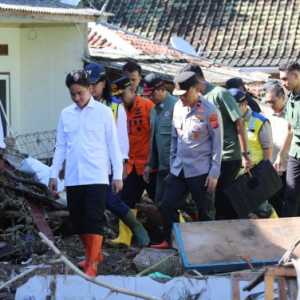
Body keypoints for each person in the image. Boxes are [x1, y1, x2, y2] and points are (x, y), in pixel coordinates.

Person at [49, 70, 123, 277]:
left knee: (93, 219)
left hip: (96, 174)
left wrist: (117, 174)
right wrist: (54, 174)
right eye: (72, 94)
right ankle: (93, 254)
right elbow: (61, 146)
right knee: (78, 219)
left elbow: (113, 145)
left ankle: (92, 262)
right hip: (74, 176)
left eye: (80, 93)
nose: (77, 98)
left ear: (90, 88)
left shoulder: (104, 112)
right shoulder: (66, 114)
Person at [152, 71, 222, 249]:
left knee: (204, 210)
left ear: (194, 89)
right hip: (179, 168)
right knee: (166, 205)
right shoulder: (177, 107)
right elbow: (175, 138)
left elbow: (217, 143)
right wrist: (173, 162)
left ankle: (208, 247)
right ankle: (172, 241)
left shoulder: (210, 111)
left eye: (184, 94)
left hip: (200, 170)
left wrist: (214, 173)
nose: (181, 98)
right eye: (178, 95)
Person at [84, 63, 149, 247]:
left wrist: (120, 170)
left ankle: (135, 226)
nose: (91, 88)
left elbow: (122, 141)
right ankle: (95, 245)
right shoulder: (83, 106)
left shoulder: (115, 106)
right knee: (94, 203)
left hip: (109, 164)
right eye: (87, 85)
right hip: (89, 162)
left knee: (108, 199)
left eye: (94, 84)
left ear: (103, 83)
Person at [181, 64, 252, 220]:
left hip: (227, 156)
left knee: (221, 200)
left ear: (197, 79)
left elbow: (239, 123)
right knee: (206, 201)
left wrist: (245, 154)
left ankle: (226, 237)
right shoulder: (195, 98)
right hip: (207, 158)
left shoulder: (220, 94)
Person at [229, 88, 275, 218]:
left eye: (233, 107)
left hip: (254, 175)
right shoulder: (228, 121)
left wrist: (262, 176)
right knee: (238, 214)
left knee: (261, 212)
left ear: (244, 104)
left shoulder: (260, 121)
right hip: (234, 175)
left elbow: (268, 151)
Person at [112, 76, 155, 210]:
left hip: (149, 166)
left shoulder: (147, 106)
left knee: (163, 203)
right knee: (125, 203)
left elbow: (156, 135)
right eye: (117, 97)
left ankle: (177, 229)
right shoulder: (118, 110)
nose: (120, 100)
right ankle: (128, 231)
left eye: (122, 96)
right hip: (131, 166)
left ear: (131, 90)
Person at [143, 73, 177, 203]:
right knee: (160, 203)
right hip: (162, 168)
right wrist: (149, 164)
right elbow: (154, 141)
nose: (150, 98)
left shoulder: (176, 106)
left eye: (152, 94)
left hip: (175, 168)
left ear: (161, 89)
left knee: (177, 205)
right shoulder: (153, 110)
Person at [262, 81, 288, 215]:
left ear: (282, 97)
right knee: (274, 206)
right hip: (271, 169)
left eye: (273, 101)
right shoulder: (266, 116)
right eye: (268, 102)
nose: (270, 105)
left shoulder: (293, 114)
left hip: (290, 168)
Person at [278, 62, 300, 216]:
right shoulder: (291, 98)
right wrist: (282, 154)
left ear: (296, 76)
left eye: (285, 79)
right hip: (295, 154)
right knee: (290, 193)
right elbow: (290, 128)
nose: (283, 84)